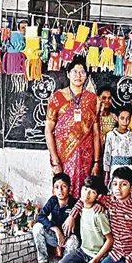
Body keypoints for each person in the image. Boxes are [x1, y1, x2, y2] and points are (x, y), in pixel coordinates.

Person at [45, 56, 100, 198]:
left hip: (85, 157)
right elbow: (48, 131)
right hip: (63, 157)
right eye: (75, 72)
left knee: (85, 194)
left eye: (82, 72)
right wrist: (55, 160)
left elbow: (95, 134)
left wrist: (96, 162)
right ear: (68, 74)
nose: (78, 76)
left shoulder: (93, 99)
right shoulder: (57, 98)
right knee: (62, 194)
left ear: (86, 75)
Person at [57, 176, 112, 263]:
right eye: (85, 189)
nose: (87, 194)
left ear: (98, 197)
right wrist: (71, 216)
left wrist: (96, 259)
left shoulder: (98, 213)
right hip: (83, 251)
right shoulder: (80, 207)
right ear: (81, 189)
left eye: (92, 192)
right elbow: (81, 202)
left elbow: (110, 240)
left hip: (96, 254)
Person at [31, 172, 80, 263]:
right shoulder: (53, 201)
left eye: (64, 187)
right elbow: (40, 217)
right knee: (37, 227)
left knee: (74, 240)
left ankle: (64, 262)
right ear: (53, 189)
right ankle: (43, 261)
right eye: (57, 187)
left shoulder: (75, 203)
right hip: (55, 236)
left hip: (69, 239)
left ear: (70, 188)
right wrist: (56, 229)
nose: (60, 191)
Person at [102, 105, 132, 185]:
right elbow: (107, 155)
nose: (125, 121)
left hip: (130, 169)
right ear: (116, 118)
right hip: (114, 169)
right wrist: (106, 174)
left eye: (128, 119)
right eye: (122, 118)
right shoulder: (110, 135)